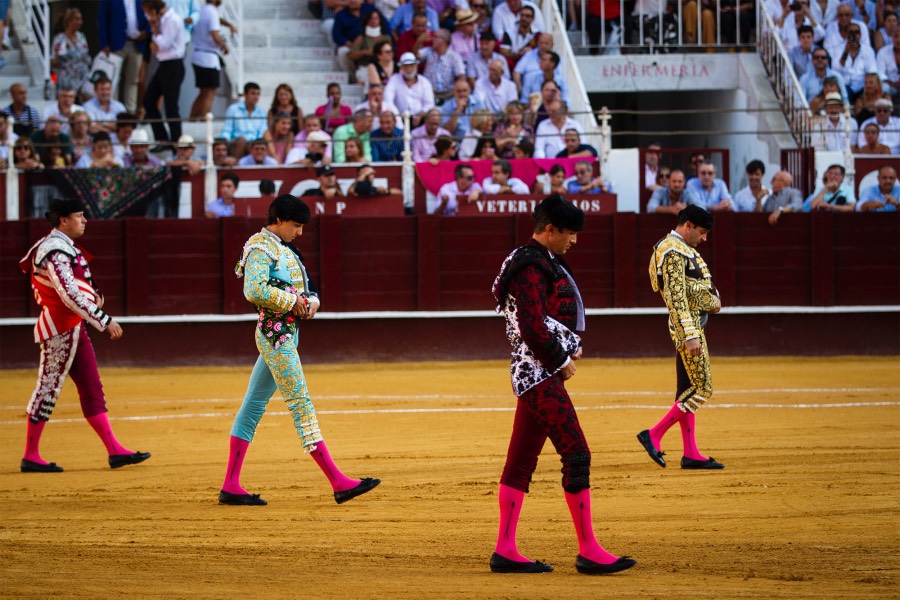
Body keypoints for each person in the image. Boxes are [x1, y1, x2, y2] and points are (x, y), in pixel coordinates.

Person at [490, 195, 635, 575]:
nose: (574, 240)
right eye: (569, 233)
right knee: (577, 452)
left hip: (536, 373)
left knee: (521, 461)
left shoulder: (537, 260)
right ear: (550, 229)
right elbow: (531, 325)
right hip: (539, 373)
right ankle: (588, 550)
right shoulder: (531, 267)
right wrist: (561, 359)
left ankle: (505, 549)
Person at [222, 194, 381, 506]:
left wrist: (311, 303)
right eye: (295, 225)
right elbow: (253, 290)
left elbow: (307, 288)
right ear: (279, 220)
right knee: (300, 403)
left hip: (287, 333)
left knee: (253, 406)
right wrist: (291, 302)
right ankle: (338, 481)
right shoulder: (259, 247)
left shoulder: (284, 249)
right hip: (275, 335)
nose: (300, 232)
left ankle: (230, 485)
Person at [17, 198, 151, 473]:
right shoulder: (53, 249)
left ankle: (114, 451)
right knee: (48, 388)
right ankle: (30, 455)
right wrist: (104, 320)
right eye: (79, 216)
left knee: (91, 387)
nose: (85, 220)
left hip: (73, 326)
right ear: (63, 220)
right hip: (59, 329)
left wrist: (97, 298)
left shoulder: (63, 247)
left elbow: (80, 287)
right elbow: (68, 293)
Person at [637, 205, 723, 473]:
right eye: (702, 232)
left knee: (686, 389)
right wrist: (690, 335)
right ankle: (653, 434)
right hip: (689, 329)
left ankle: (691, 453)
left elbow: (686, 289)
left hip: (692, 326)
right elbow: (675, 297)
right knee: (702, 388)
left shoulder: (677, 247)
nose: (704, 238)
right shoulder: (673, 250)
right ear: (688, 225)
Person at [142, 0, 187, 152]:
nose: (147, 16)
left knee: (171, 106)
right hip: (164, 65)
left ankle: (177, 144)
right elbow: (156, 45)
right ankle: (162, 138)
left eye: (148, 12)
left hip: (173, 64)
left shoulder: (172, 20)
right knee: (148, 100)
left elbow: (162, 44)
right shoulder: (164, 20)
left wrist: (154, 28)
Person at [98, 0, 151, 114]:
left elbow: (149, 15)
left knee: (133, 80)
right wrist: (105, 43)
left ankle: (130, 112)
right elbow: (102, 19)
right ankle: (113, 113)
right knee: (114, 79)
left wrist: (146, 32)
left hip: (137, 44)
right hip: (116, 44)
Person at [189, 0, 229, 120]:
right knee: (209, 93)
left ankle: (191, 121)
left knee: (203, 93)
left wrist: (229, 25)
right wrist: (224, 46)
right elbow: (214, 33)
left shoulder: (202, 9)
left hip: (198, 55)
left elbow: (216, 21)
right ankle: (204, 122)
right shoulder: (212, 11)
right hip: (208, 58)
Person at [384, 52, 435, 127]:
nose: (409, 69)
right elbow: (388, 100)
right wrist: (397, 117)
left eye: (411, 65)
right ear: (401, 67)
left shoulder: (424, 82)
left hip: (421, 120)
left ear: (416, 66)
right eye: (405, 66)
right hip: (399, 120)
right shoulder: (394, 79)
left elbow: (429, 104)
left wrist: (420, 115)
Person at [51, 9, 92, 102]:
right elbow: (54, 62)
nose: (80, 22)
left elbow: (87, 56)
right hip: (66, 80)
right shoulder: (59, 39)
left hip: (83, 77)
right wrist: (57, 54)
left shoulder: (82, 37)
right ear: (69, 21)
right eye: (77, 19)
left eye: (81, 19)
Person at [342, 9, 391, 84]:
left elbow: (392, 55)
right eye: (370, 18)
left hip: (384, 68)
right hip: (365, 68)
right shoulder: (362, 38)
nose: (373, 21)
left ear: (380, 21)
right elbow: (350, 55)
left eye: (376, 18)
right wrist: (365, 52)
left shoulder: (386, 38)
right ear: (366, 21)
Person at [221, 82, 268, 158]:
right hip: (236, 142)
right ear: (245, 94)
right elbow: (227, 130)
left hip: (254, 143)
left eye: (258, 94)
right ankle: (236, 165)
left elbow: (262, 132)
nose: (256, 97)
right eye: (253, 94)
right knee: (242, 141)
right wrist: (225, 143)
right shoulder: (233, 109)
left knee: (259, 145)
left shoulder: (262, 112)